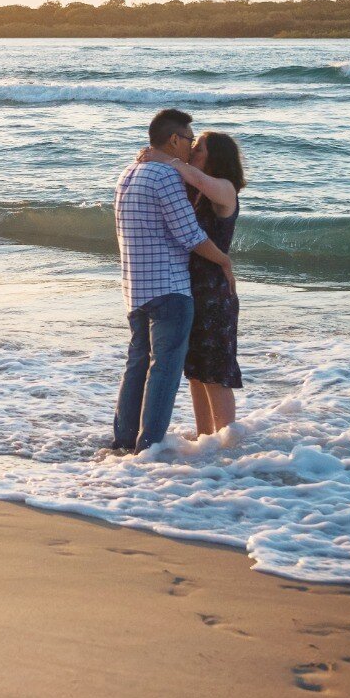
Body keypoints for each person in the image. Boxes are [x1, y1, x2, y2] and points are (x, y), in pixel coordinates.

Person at [112, 109, 236, 454]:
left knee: (138, 364)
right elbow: (190, 235)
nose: (191, 146)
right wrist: (225, 261)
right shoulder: (165, 177)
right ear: (174, 140)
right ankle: (148, 448)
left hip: (134, 286)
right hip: (169, 288)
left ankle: (124, 440)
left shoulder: (129, 172)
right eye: (189, 140)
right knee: (164, 371)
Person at [137, 130, 245, 437]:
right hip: (188, 287)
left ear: (216, 158)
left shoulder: (225, 189)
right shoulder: (194, 191)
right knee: (196, 371)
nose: (192, 153)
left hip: (214, 292)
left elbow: (198, 179)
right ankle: (205, 440)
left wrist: (166, 158)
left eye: (198, 150)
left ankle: (228, 447)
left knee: (216, 372)